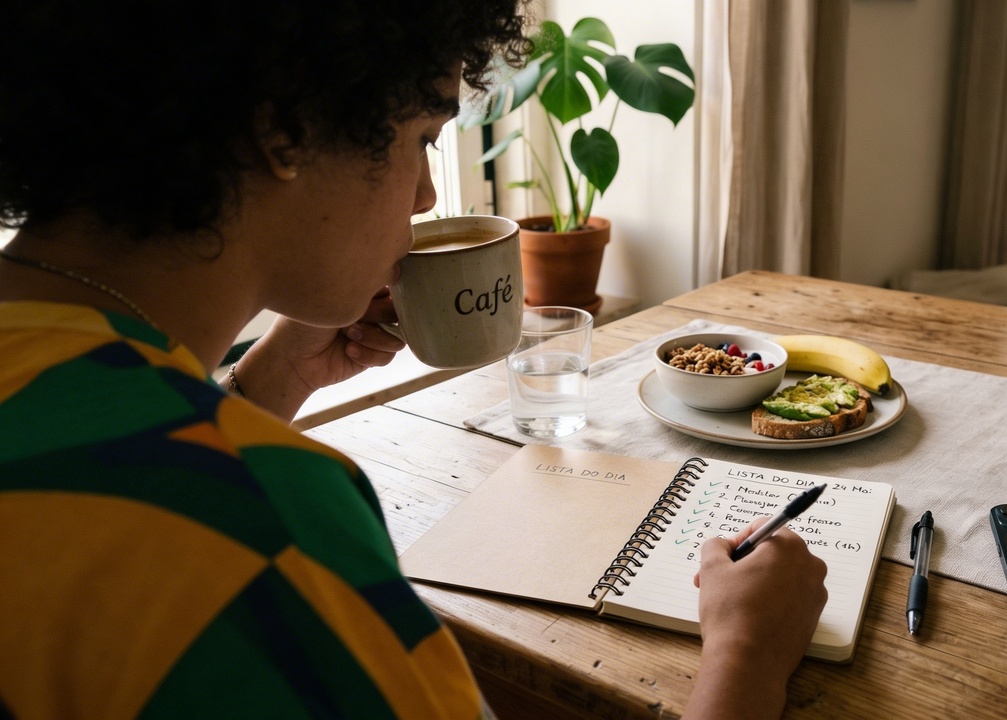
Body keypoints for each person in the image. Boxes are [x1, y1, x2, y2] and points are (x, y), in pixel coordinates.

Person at [0, 2, 828, 718]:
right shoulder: (266, 520)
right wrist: (747, 655)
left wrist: (272, 381)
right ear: (285, 130)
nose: (428, 194)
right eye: (425, 135)